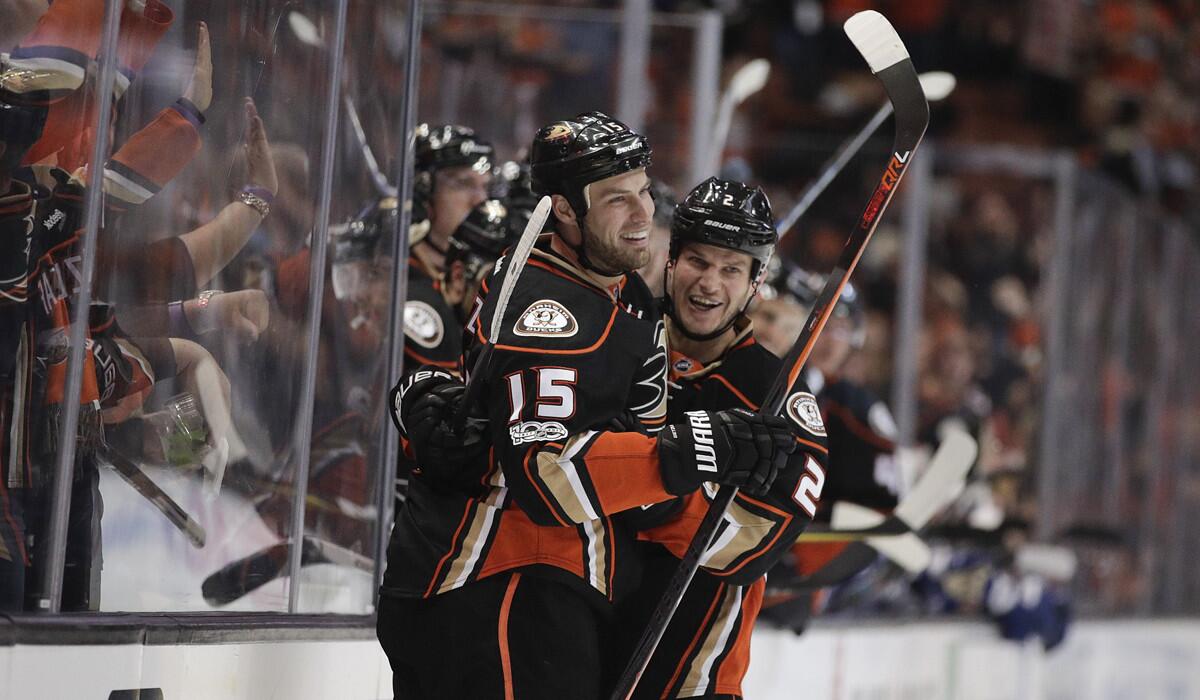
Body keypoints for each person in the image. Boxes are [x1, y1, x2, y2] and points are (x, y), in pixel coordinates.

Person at [378, 112, 798, 699]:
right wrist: (696, 451)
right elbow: (547, 477)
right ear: (566, 211)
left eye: (644, 193)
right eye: (615, 200)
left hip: (539, 592)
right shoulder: (555, 308)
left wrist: (421, 393)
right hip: (502, 583)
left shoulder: (617, 291)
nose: (642, 215)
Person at [608, 177, 830, 699]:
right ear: (670, 261)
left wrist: (659, 500)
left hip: (691, 679)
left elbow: (760, 544)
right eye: (698, 262)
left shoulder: (776, 396)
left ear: (755, 283)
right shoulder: (614, 345)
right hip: (575, 655)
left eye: (731, 269)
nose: (709, 283)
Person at [401, 123, 494, 376]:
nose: (479, 200)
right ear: (422, 190)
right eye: (463, 183)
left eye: (484, 186)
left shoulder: (482, 272)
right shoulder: (393, 274)